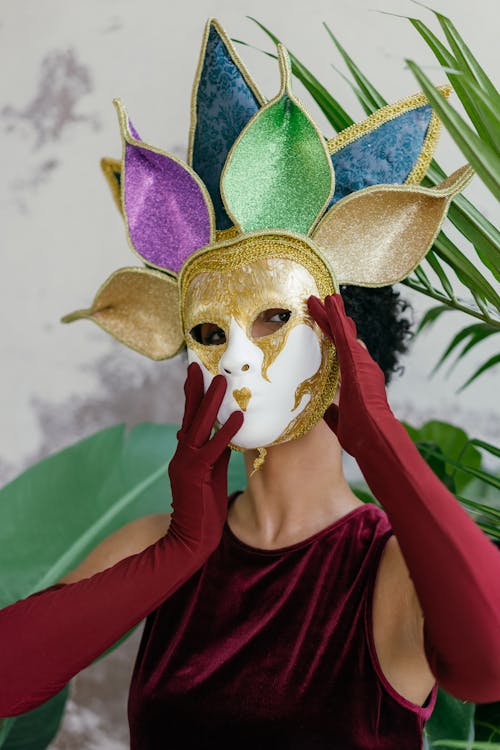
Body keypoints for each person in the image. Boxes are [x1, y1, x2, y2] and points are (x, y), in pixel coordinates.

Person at [1, 18, 499, 749]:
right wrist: (180, 552)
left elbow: (488, 667)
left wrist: (379, 438)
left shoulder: (388, 567)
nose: (234, 357)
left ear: (345, 341)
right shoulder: (163, 547)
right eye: (208, 332)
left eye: (271, 318)